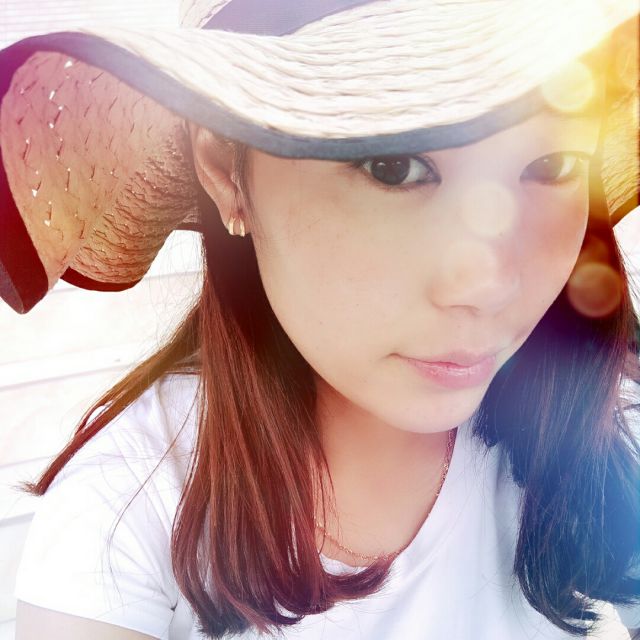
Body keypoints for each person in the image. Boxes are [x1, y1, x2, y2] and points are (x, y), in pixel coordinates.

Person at [1, 1, 639, 638]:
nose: (489, 286)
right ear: (225, 169)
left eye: (553, 165)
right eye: (395, 166)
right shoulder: (127, 506)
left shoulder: (602, 427)